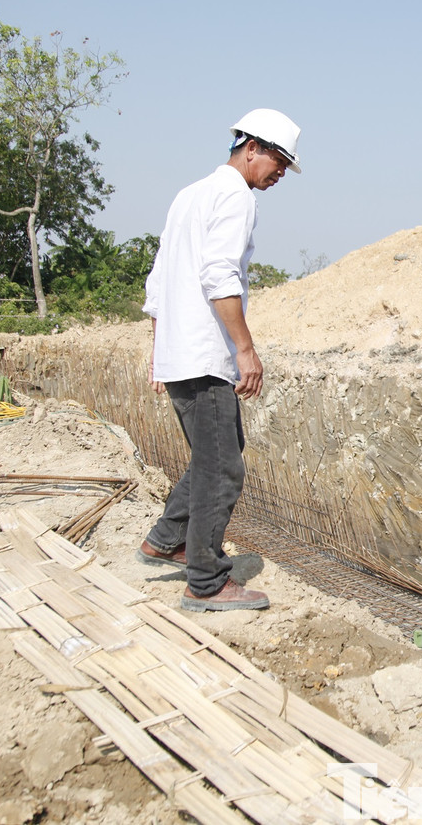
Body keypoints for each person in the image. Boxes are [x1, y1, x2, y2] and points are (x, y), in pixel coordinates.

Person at [137, 108, 302, 612]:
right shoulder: (235, 196)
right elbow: (218, 274)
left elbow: (159, 281)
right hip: (205, 356)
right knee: (224, 467)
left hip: (180, 353)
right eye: (277, 161)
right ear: (250, 146)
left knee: (219, 450)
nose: (279, 174)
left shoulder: (189, 195)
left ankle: (168, 538)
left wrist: (159, 351)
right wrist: (245, 349)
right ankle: (205, 581)